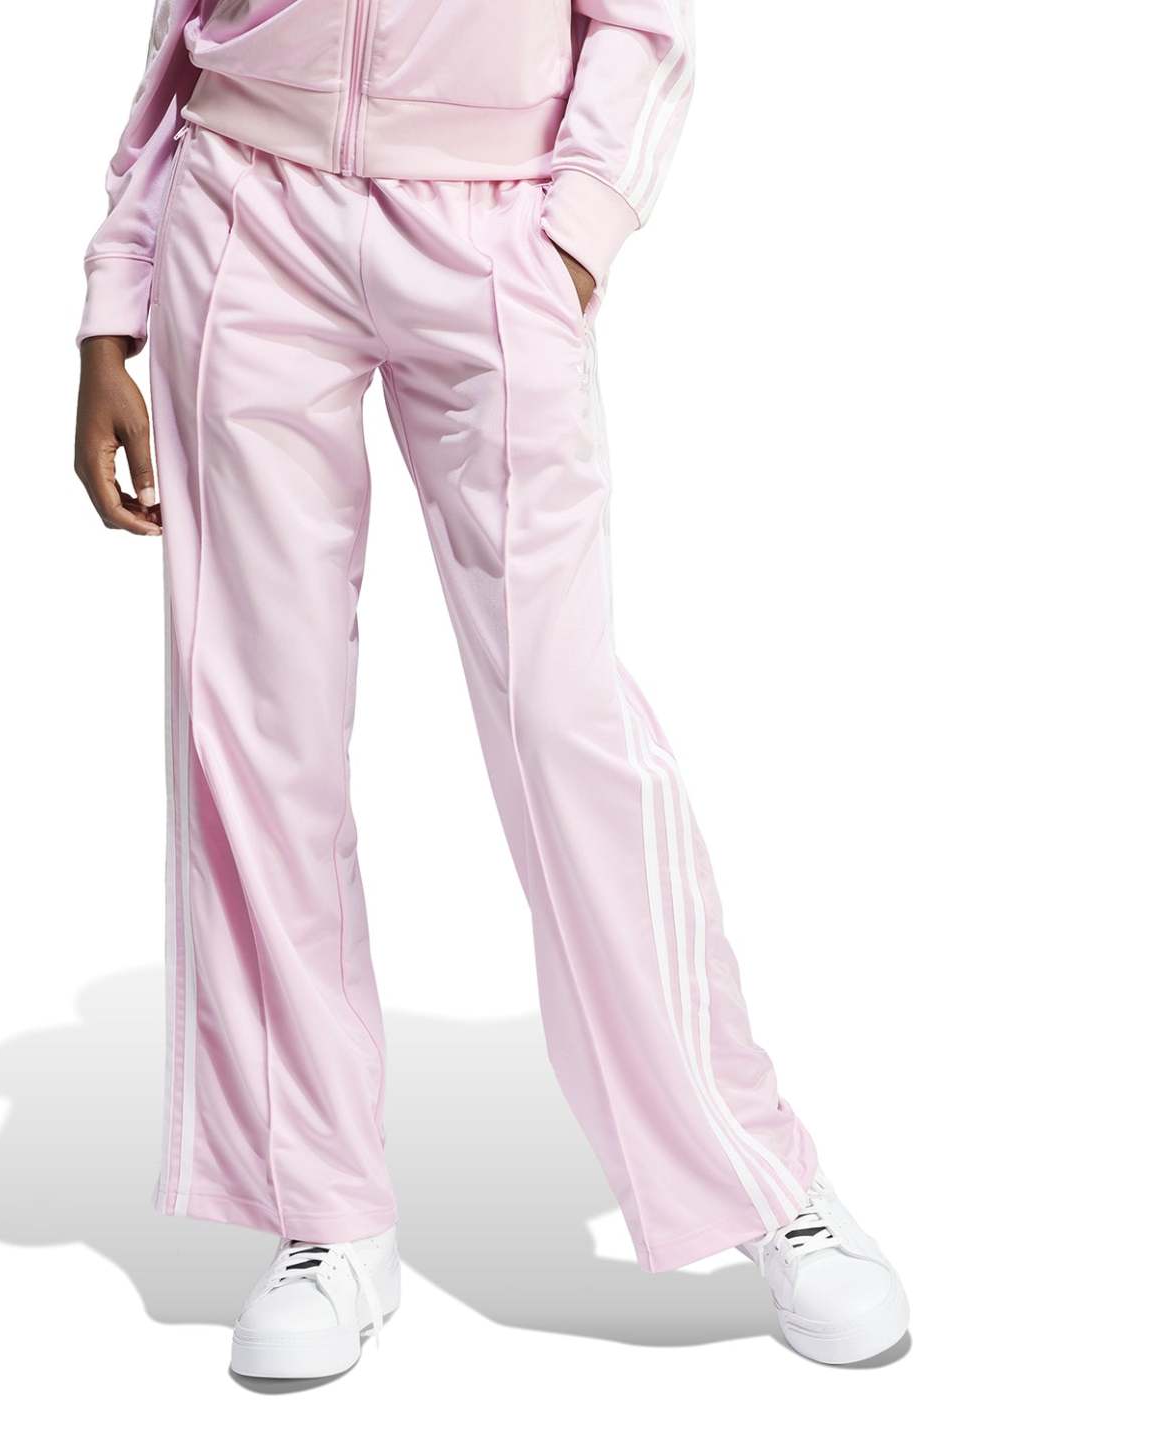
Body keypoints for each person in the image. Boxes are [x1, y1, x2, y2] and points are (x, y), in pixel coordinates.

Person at [74, 0, 908, 1381]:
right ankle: (322, 1210)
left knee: (561, 720)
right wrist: (115, 300)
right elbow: (179, 26)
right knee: (255, 725)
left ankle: (756, 1176)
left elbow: (640, 22)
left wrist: (575, 231)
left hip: (491, 222)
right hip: (241, 213)